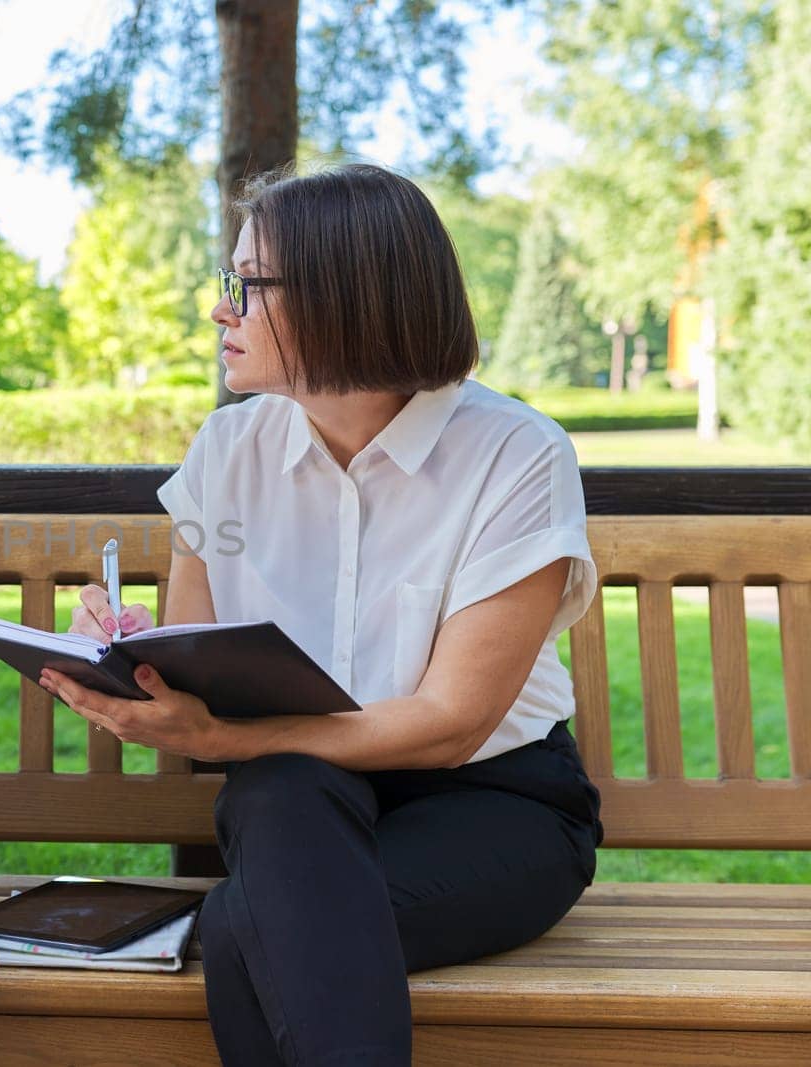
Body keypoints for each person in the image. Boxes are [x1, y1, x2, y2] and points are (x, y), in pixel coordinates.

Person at [48, 162, 603, 1066]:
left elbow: (452, 724)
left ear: (348, 295)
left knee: (244, 921)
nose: (218, 310)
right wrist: (133, 654)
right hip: (295, 804)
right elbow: (200, 672)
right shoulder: (227, 450)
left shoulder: (515, 455)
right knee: (283, 806)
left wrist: (233, 742)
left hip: (492, 808)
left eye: (244, 285)